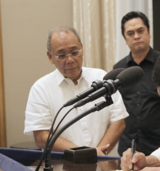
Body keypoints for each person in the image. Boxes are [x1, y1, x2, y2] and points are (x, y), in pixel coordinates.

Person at [24, 26, 128, 156]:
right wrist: (85, 154)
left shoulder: (101, 77)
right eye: (62, 55)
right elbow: (41, 136)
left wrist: (98, 153)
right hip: (62, 169)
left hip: (104, 165)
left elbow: (118, 121)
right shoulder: (41, 89)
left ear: (82, 49)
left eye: (74, 52)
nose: (70, 60)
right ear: (50, 57)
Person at [113, 11, 160, 156]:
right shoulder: (118, 70)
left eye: (140, 31)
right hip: (127, 147)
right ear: (125, 39)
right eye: (130, 33)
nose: (136, 36)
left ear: (149, 33)